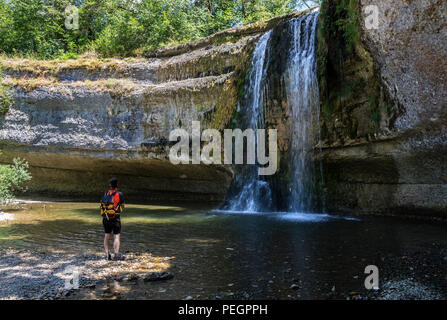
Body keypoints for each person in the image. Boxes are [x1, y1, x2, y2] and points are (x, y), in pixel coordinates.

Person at [100, 177, 125, 261]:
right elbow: (122, 205)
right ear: (117, 185)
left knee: (107, 235)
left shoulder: (106, 193)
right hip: (116, 218)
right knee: (116, 236)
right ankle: (116, 254)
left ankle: (107, 254)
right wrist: (118, 211)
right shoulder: (120, 194)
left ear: (110, 185)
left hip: (106, 218)